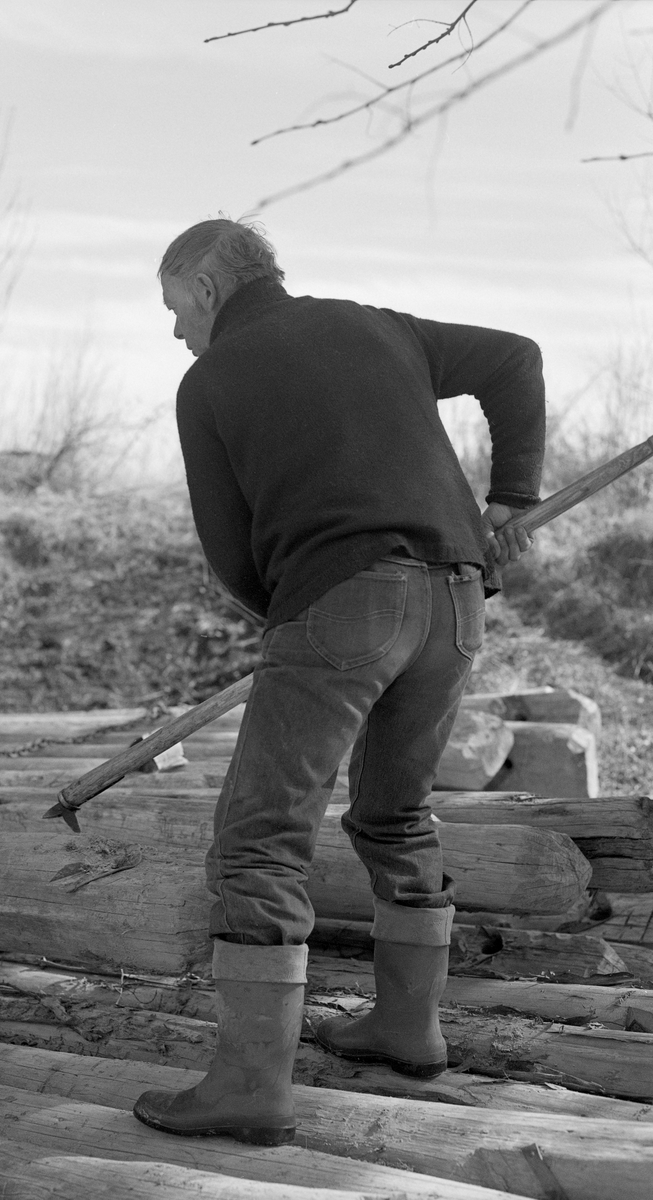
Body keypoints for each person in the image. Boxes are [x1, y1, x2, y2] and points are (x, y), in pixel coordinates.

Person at [133, 218, 544, 1147]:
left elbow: (233, 557)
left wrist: (297, 623)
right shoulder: (376, 328)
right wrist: (510, 498)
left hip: (344, 600)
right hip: (458, 603)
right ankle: (408, 1028)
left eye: (172, 309)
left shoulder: (211, 383)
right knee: (396, 813)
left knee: (259, 840)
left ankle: (248, 1086)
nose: (174, 333)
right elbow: (516, 358)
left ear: (205, 286)